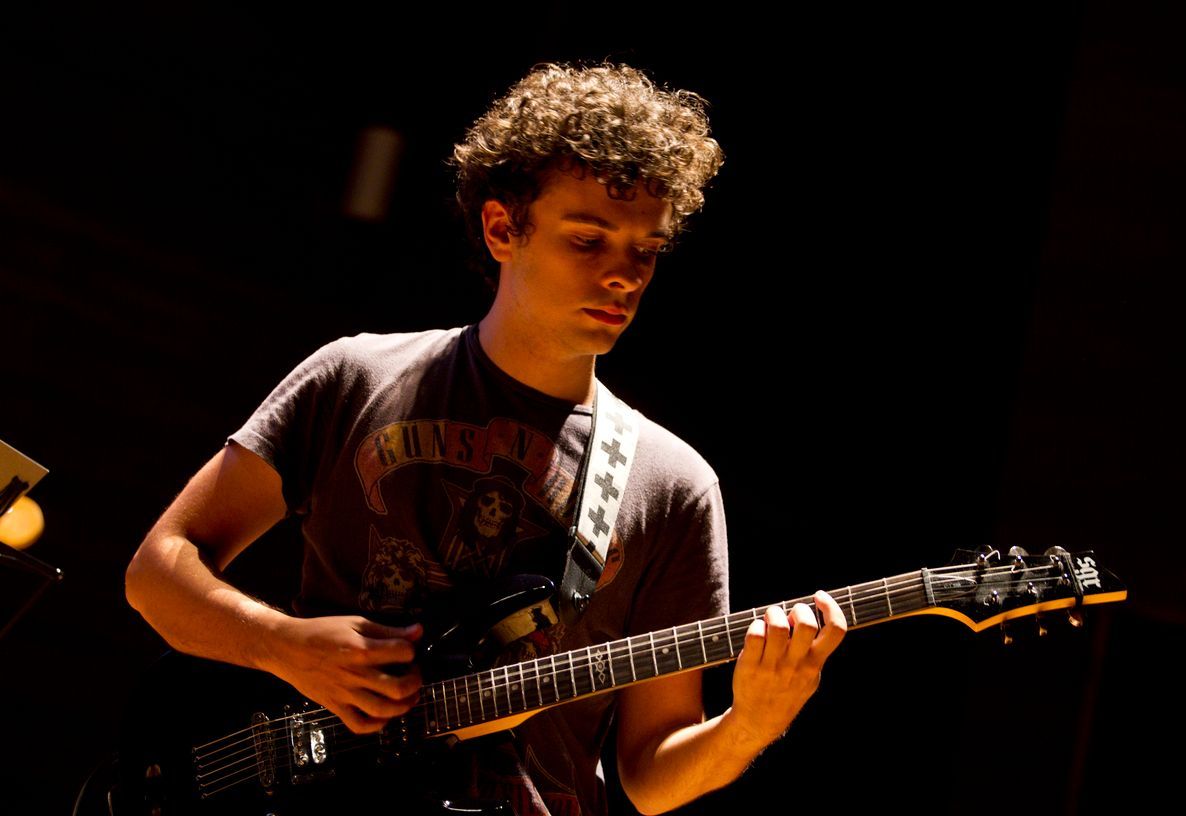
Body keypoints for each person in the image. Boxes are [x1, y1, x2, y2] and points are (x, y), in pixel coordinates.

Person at [125, 62, 846, 816]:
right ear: (503, 229)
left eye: (647, 249)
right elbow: (157, 574)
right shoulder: (355, 376)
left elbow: (649, 772)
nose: (624, 276)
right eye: (588, 239)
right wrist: (284, 645)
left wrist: (753, 723)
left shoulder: (673, 484)